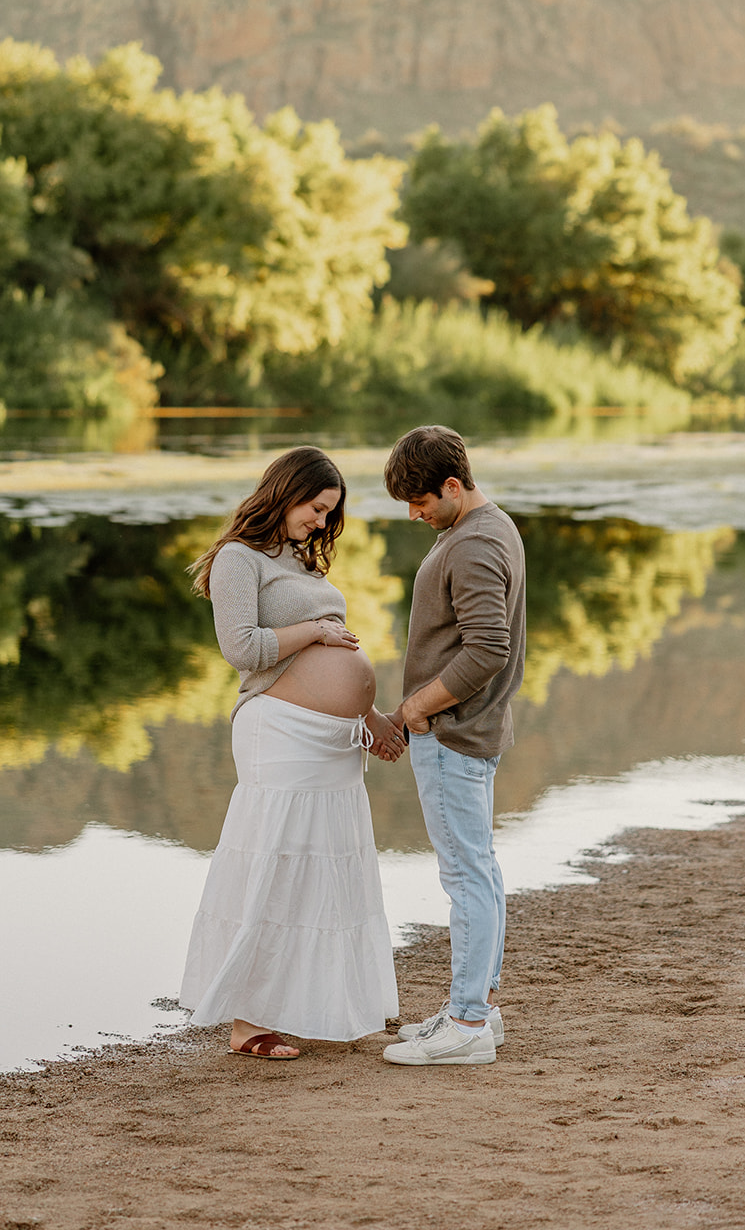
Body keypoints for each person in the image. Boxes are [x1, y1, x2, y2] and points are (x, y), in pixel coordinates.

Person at [179, 445, 405, 1061]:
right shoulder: (237, 559)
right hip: (277, 733)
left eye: (329, 513)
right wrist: (317, 632)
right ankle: (248, 1023)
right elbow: (243, 649)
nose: (320, 522)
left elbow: (333, 666)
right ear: (283, 492)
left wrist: (373, 717)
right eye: (314, 507)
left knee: (329, 869)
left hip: (331, 742)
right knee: (278, 864)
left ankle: (317, 1004)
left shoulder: (300, 564)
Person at [381, 425, 526, 1068]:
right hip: (473, 731)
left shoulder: (471, 544)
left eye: (420, 502)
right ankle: (477, 1008)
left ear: (451, 485)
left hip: (453, 735)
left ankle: (467, 1021)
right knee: (481, 869)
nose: (415, 515)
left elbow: (489, 648)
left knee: (466, 876)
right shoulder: (487, 528)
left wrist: (415, 707)